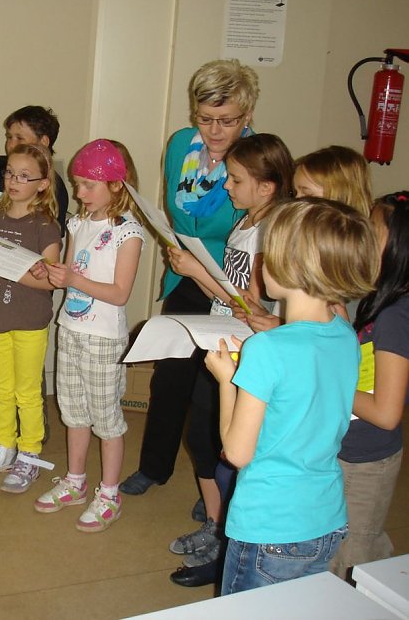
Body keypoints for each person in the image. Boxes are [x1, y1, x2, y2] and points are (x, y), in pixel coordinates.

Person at [205, 197, 379, 595]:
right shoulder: (343, 336)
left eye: (271, 251)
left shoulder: (266, 349)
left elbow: (237, 452)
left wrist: (227, 380)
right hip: (326, 519)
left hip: (269, 526)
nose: (262, 260)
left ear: (295, 267)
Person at [121, 58, 258, 497]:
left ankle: (215, 486)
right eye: (205, 119)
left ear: (247, 114)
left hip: (228, 286)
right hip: (184, 280)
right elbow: (175, 210)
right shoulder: (181, 144)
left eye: (226, 121)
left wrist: (200, 263)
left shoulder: (255, 160)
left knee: (216, 390)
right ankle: (154, 467)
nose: (214, 132)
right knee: (170, 376)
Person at [165, 133, 294, 585]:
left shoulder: (272, 232)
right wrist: (193, 270)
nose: (227, 188)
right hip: (223, 343)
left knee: (228, 448)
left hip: (250, 353)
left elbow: (252, 306)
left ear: (268, 186)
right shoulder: (244, 222)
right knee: (201, 438)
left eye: (236, 180)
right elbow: (224, 294)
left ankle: (230, 539)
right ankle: (217, 527)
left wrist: (199, 270)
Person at [31, 139, 143, 532]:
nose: (79, 193)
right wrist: (54, 274)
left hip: (103, 338)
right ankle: (75, 480)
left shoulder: (128, 233)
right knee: (73, 411)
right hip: (71, 329)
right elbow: (70, 275)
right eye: (77, 183)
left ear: (116, 184)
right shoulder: (78, 223)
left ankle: (109, 492)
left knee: (106, 418)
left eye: (88, 185)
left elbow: (119, 293)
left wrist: (73, 278)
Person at [0, 105, 70, 432]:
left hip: (26, 306)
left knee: (27, 383)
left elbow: (48, 263)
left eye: (19, 137)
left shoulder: (47, 206)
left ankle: (31, 440)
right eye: (9, 137)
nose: (10, 143)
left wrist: (18, 269)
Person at [0, 143, 61, 493]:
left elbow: (48, 277)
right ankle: (2, 447)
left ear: (42, 183)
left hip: (30, 321)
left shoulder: (45, 225)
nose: (13, 181)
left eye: (23, 176)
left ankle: (29, 454)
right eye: (9, 173)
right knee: (0, 387)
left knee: (27, 392)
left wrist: (6, 269)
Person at [330, 191, 409, 581]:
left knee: (354, 556)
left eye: (372, 230)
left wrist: (329, 382)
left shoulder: (397, 314)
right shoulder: (379, 298)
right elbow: (362, 360)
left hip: (366, 462)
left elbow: (386, 411)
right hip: (348, 448)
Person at [238, 144, 373, 333]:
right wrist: (259, 314)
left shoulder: (343, 259)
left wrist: (281, 326)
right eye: (295, 193)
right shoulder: (299, 242)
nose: (296, 202)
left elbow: (335, 332)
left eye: (307, 194)